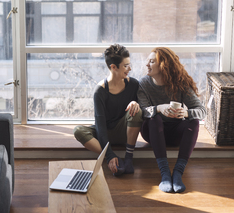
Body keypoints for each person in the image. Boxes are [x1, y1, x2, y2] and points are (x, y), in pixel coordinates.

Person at [138, 47, 206, 193]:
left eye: (151, 61)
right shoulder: (143, 84)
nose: (147, 64)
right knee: (153, 118)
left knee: (193, 121)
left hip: (175, 133)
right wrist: (159, 108)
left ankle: (178, 172)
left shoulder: (180, 84)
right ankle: (164, 174)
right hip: (152, 131)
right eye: (147, 61)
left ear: (163, 65)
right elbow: (142, 112)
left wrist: (186, 113)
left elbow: (202, 112)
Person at [74, 44, 142, 176]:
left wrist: (136, 103)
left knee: (137, 110)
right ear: (113, 67)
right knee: (78, 131)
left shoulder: (134, 84)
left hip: (124, 131)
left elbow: (141, 114)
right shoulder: (100, 91)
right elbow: (100, 125)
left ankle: (128, 159)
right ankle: (111, 156)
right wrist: (109, 155)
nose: (130, 68)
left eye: (129, 64)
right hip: (104, 134)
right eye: (125, 65)